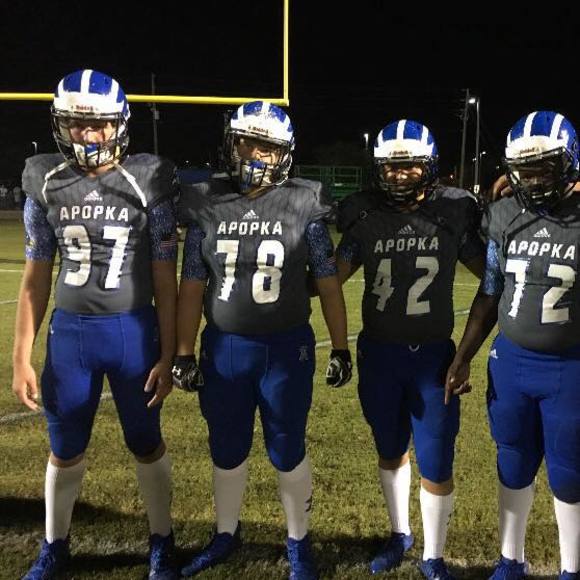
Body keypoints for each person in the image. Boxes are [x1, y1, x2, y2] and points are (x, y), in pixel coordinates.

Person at [173, 100, 352, 580]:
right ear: (230, 144)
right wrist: (184, 352)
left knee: (287, 447)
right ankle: (225, 533)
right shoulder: (207, 202)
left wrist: (340, 345)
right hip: (225, 347)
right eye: (247, 143)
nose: (255, 154)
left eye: (267, 147)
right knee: (226, 445)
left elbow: (328, 281)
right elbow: (192, 284)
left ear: (284, 154)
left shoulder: (303, 202)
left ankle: (298, 541)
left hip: (285, 349)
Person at [11, 69, 179, 580]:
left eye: (99, 124)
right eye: (77, 124)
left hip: (133, 333)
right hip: (72, 337)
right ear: (60, 125)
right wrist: (20, 357)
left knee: (145, 440)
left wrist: (169, 352)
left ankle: (162, 540)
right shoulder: (45, 181)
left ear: (118, 124)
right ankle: (54, 545)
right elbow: (36, 278)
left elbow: (165, 276)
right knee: (64, 446)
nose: (88, 134)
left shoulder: (147, 180)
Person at [336, 119, 485, 579]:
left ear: (429, 166)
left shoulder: (452, 214)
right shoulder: (365, 217)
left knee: (436, 460)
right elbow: (327, 280)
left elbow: (493, 281)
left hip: (433, 357)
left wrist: (465, 354)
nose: (399, 175)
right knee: (389, 446)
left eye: (410, 166)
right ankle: (400, 533)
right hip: (379, 355)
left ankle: (433, 555)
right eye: (391, 167)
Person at [446, 110, 580, 580]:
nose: (534, 177)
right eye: (526, 168)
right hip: (512, 363)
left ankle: (571, 568)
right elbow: (490, 291)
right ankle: (510, 560)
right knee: (512, 462)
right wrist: (463, 355)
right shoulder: (504, 215)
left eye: (544, 166)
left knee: (569, 473)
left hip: (569, 367)